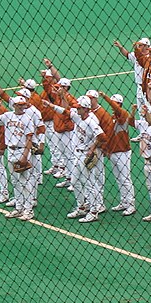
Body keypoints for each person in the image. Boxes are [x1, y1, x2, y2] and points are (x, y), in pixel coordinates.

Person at [45, 95, 106, 223]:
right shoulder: (79, 117)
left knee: (90, 183)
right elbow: (66, 111)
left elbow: (102, 136)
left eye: (79, 108)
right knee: (75, 181)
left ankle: (94, 211)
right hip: (77, 155)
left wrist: (92, 148)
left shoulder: (91, 121)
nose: (77, 109)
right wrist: (51, 106)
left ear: (86, 109)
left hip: (85, 155)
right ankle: (82, 207)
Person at [0, 96, 36, 220]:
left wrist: (25, 156)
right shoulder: (7, 116)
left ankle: (28, 210)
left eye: (23, 104)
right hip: (11, 151)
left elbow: (29, 139)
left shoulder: (27, 118)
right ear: (14, 105)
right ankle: (19, 207)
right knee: (15, 181)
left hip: (22, 151)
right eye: (19, 104)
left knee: (25, 181)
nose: (22, 106)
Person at [99, 91, 136, 215]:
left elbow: (116, 108)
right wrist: (106, 150)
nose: (112, 105)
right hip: (113, 152)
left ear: (119, 104)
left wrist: (105, 97)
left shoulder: (123, 114)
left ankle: (131, 204)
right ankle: (124, 202)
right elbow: (109, 136)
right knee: (119, 179)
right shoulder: (113, 118)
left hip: (123, 152)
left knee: (125, 179)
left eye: (115, 103)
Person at [113, 38, 151, 108]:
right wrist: (120, 47)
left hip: (148, 88)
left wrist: (137, 51)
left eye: (140, 45)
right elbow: (127, 55)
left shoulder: (150, 57)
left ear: (146, 46)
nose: (138, 46)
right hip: (139, 87)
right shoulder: (136, 55)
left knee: (149, 109)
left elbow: (144, 62)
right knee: (141, 111)